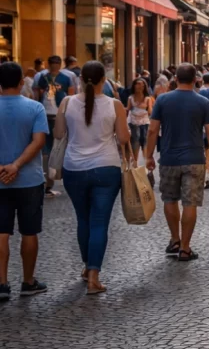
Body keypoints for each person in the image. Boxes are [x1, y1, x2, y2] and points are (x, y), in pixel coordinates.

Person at [54, 61, 131, 295]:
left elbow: (58, 134)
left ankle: (88, 267)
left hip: (74, 168)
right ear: (103, 81)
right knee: (99, 222)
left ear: (80, 80)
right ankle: (94, 277)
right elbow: (124, 137)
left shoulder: (67, 103)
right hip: (106, 168)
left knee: (83, 220)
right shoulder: (114, 104)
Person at [146, 63, 209, 262]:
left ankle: (175, 239)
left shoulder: (162, 100)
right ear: (196, 80)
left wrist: (148, 155)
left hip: (169, 158)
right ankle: (185, 248)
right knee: (190, 203)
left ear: (175, 79)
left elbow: (152, 130)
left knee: (170, 200)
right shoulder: (203, 102)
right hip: (195, 159)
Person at [0, 61, 48, 300]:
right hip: (29, 179)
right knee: (29, 232)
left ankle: (1, 283)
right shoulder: (35, 108)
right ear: (21, 82)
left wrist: (3, 168)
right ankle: (28, 282)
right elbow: (39, 141)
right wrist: (16, 165)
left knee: (0, 232)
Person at [34, 55, 76, 197]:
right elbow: (36, 94)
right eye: (52, 63)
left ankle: (56, 176)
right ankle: (48, 182)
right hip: (45, 114)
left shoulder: (65, 78)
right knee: (45, 150)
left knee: (59, 146)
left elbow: (71, 95)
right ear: (49, 64)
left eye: (57, 63)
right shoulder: (42, 77)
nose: (54, 65)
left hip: (59, 114)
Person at [126, 78, 153, 164]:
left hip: (144, 121)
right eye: (137, 84)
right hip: (133, 120)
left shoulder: (148, 98)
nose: (140, 86)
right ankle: (135, 161)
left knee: (144, 139)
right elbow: (128, 109)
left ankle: (146, 161)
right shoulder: (131, 98)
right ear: (134, 85)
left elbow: (150, 111)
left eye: (142, 85)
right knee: (135, 139)